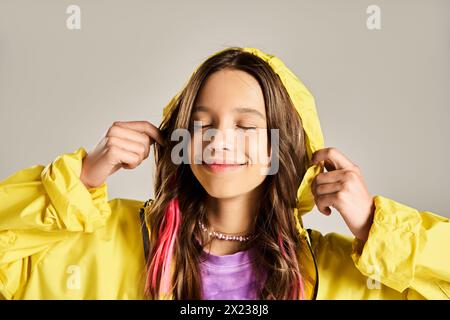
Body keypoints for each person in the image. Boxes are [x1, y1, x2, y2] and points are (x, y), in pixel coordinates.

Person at [0, 47, 449, 300]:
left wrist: (377, 226)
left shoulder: (339, 275)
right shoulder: (101, 240)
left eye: (247, 125)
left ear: (284, 143)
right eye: (203, 123)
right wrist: (78, 183)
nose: (220, 140)